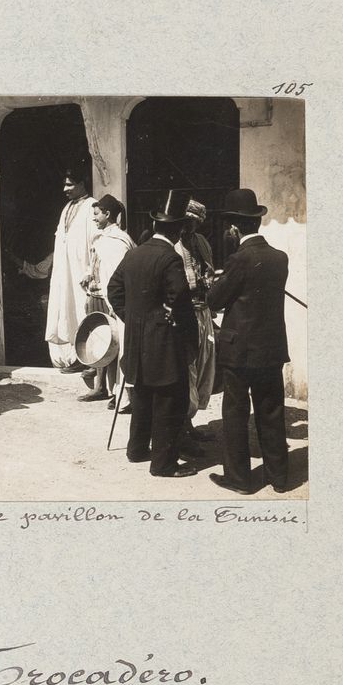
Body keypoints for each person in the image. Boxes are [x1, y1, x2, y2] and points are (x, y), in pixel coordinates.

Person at [206, 189, 292, 494]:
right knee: (271, 412)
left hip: (239, 352)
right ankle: (279, 478)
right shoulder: (279, 258)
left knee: (235, 415)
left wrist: (214, 284)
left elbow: (214, 299)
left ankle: (239, 480)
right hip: (271, 350)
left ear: (233, 227)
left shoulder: (238, 259)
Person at [107, 194, 199, 477]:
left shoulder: (134, 253)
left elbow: (114, 289)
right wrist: (176, 327)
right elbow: (180, 296)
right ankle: (163, 464)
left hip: (137, 340)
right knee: (170, 400)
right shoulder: (169, 256)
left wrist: (134, 319)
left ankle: (136, 450)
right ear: (178, 228)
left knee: (143, 395)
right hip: (163, 341)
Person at [15, 163, 98, 371]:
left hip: (82, 273)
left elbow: (95, 244)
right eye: (64, 185)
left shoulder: (92, 207)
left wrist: (90, 272)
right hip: (64, 273)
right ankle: (71, 357)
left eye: (70, 185)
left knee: (81, 310)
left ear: (82, 184)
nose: (65, 189)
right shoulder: (67, 208)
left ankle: (86, 357)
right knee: (65, 312)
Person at [80, 193, 134, 404]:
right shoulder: (101, 237)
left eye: (96, 214)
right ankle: (100, 387)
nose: (93, 218)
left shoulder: (117, 240)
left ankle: (121, 395)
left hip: (110, 300)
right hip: (96, 295)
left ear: (108, 214)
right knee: (99, 342)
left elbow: (116, 275)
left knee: (117, 345)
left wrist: (114, 303)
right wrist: (87, 274)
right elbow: (96, 264)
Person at [176, 198, 217, 445]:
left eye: (192, 223)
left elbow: (209, 271)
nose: (187, 228)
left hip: (203, 312)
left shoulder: (202, 243)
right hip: (184, 315)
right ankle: (180, 425)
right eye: (184, 222)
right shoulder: (172, 246)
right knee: (186, 369)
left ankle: (189, 422)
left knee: (203, 368)